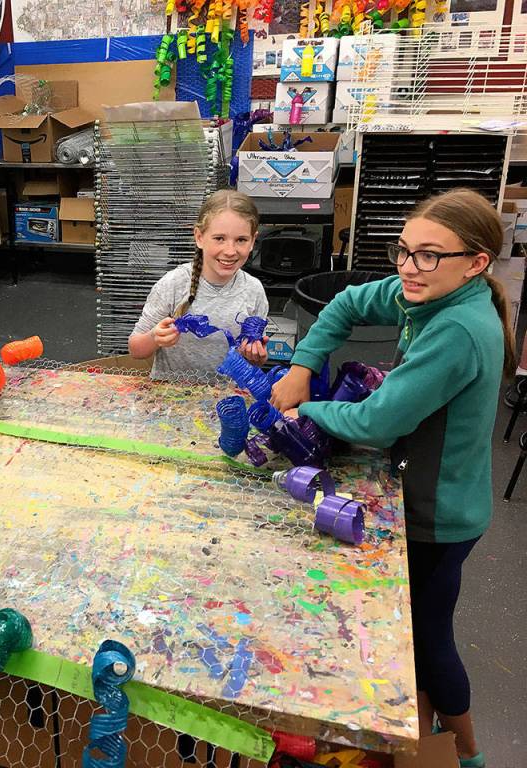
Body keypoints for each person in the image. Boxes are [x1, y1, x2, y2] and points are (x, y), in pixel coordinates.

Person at [270, 188, 514, 768]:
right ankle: (426, 738)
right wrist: (306, 363)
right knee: (421, 636)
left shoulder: (458, 330)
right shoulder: (423, 293)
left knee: (429, 642)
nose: (409, 266)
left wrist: (305, 411)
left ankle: (465, 755)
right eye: (403, 251)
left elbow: (381, 421)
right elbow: (347, 303)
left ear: (476, 263)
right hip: (428, 490)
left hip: (440, 512)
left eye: (428, 255)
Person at [128, 189, 270, 377]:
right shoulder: (173, 284)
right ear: (199, 237)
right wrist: (155, 337)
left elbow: (255, 359)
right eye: (219, 238)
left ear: (253, 241)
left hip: (227, 397)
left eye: (241, 240)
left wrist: (256, 356)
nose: (230, 250)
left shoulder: (254, 290)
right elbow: (136, 349)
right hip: (171, 396)